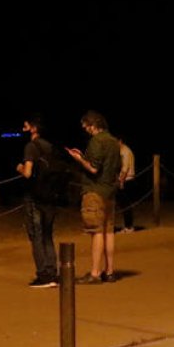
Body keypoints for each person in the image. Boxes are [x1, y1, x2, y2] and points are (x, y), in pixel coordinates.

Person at [66, 110, 121, 284]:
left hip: (95, 191)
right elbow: (116, 166)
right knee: (109, 231)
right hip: (109, 191)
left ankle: (95, 272)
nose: (85, 130)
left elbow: (93, 168)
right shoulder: (113, 141)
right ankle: (109, 271)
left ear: (93, 125)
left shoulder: (97, 141)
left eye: (86, 127)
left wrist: (78, 158)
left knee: (96, 231)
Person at [17, 115, 58, 288]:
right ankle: (52, 272)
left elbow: (27, 172)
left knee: (36, 236)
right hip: (50, 196)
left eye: (26, 123)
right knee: (48, 235)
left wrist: (19, 168)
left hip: (35, 197)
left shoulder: (31, 146)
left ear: (34, 128)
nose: (24, 126)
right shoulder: (49, 146)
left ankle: (43, 275)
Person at [116, 134, 136, 233]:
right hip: (125, 180)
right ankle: (127, 226)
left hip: (127, 180)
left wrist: (121, 181)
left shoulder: (125, 152)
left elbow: (125, 168)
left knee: (126, 205)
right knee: (124, 205)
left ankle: (129, 227)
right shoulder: (122, 151)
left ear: (120, 140)